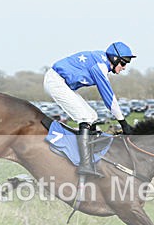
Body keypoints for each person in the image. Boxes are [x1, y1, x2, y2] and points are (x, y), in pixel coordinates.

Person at [43, 41, 135, 177]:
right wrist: (123, 123)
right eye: (123, 63)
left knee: (92, 115)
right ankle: (85, 164)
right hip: (56, 82)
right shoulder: (100, 66)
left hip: (61, 82)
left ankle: (91, 156)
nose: (124, 67)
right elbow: (109, 98)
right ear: (115, 59)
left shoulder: (102, 62)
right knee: (85, 117)